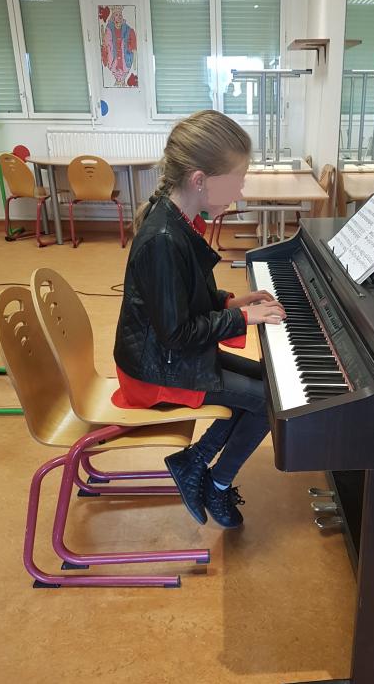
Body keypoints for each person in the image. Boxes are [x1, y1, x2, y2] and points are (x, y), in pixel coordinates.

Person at [113, 110, 286, 528]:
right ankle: (215, 480)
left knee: (271, 386)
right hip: (155, 371)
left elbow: (185, 302)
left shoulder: (179, 221)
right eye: (236, 180)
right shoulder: (162, 239)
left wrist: (231, 302)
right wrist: (242, 318)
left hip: (168, 357)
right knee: (269, 402)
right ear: (199, 180)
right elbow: (177, 333)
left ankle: (195, 462)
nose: (240, 191)